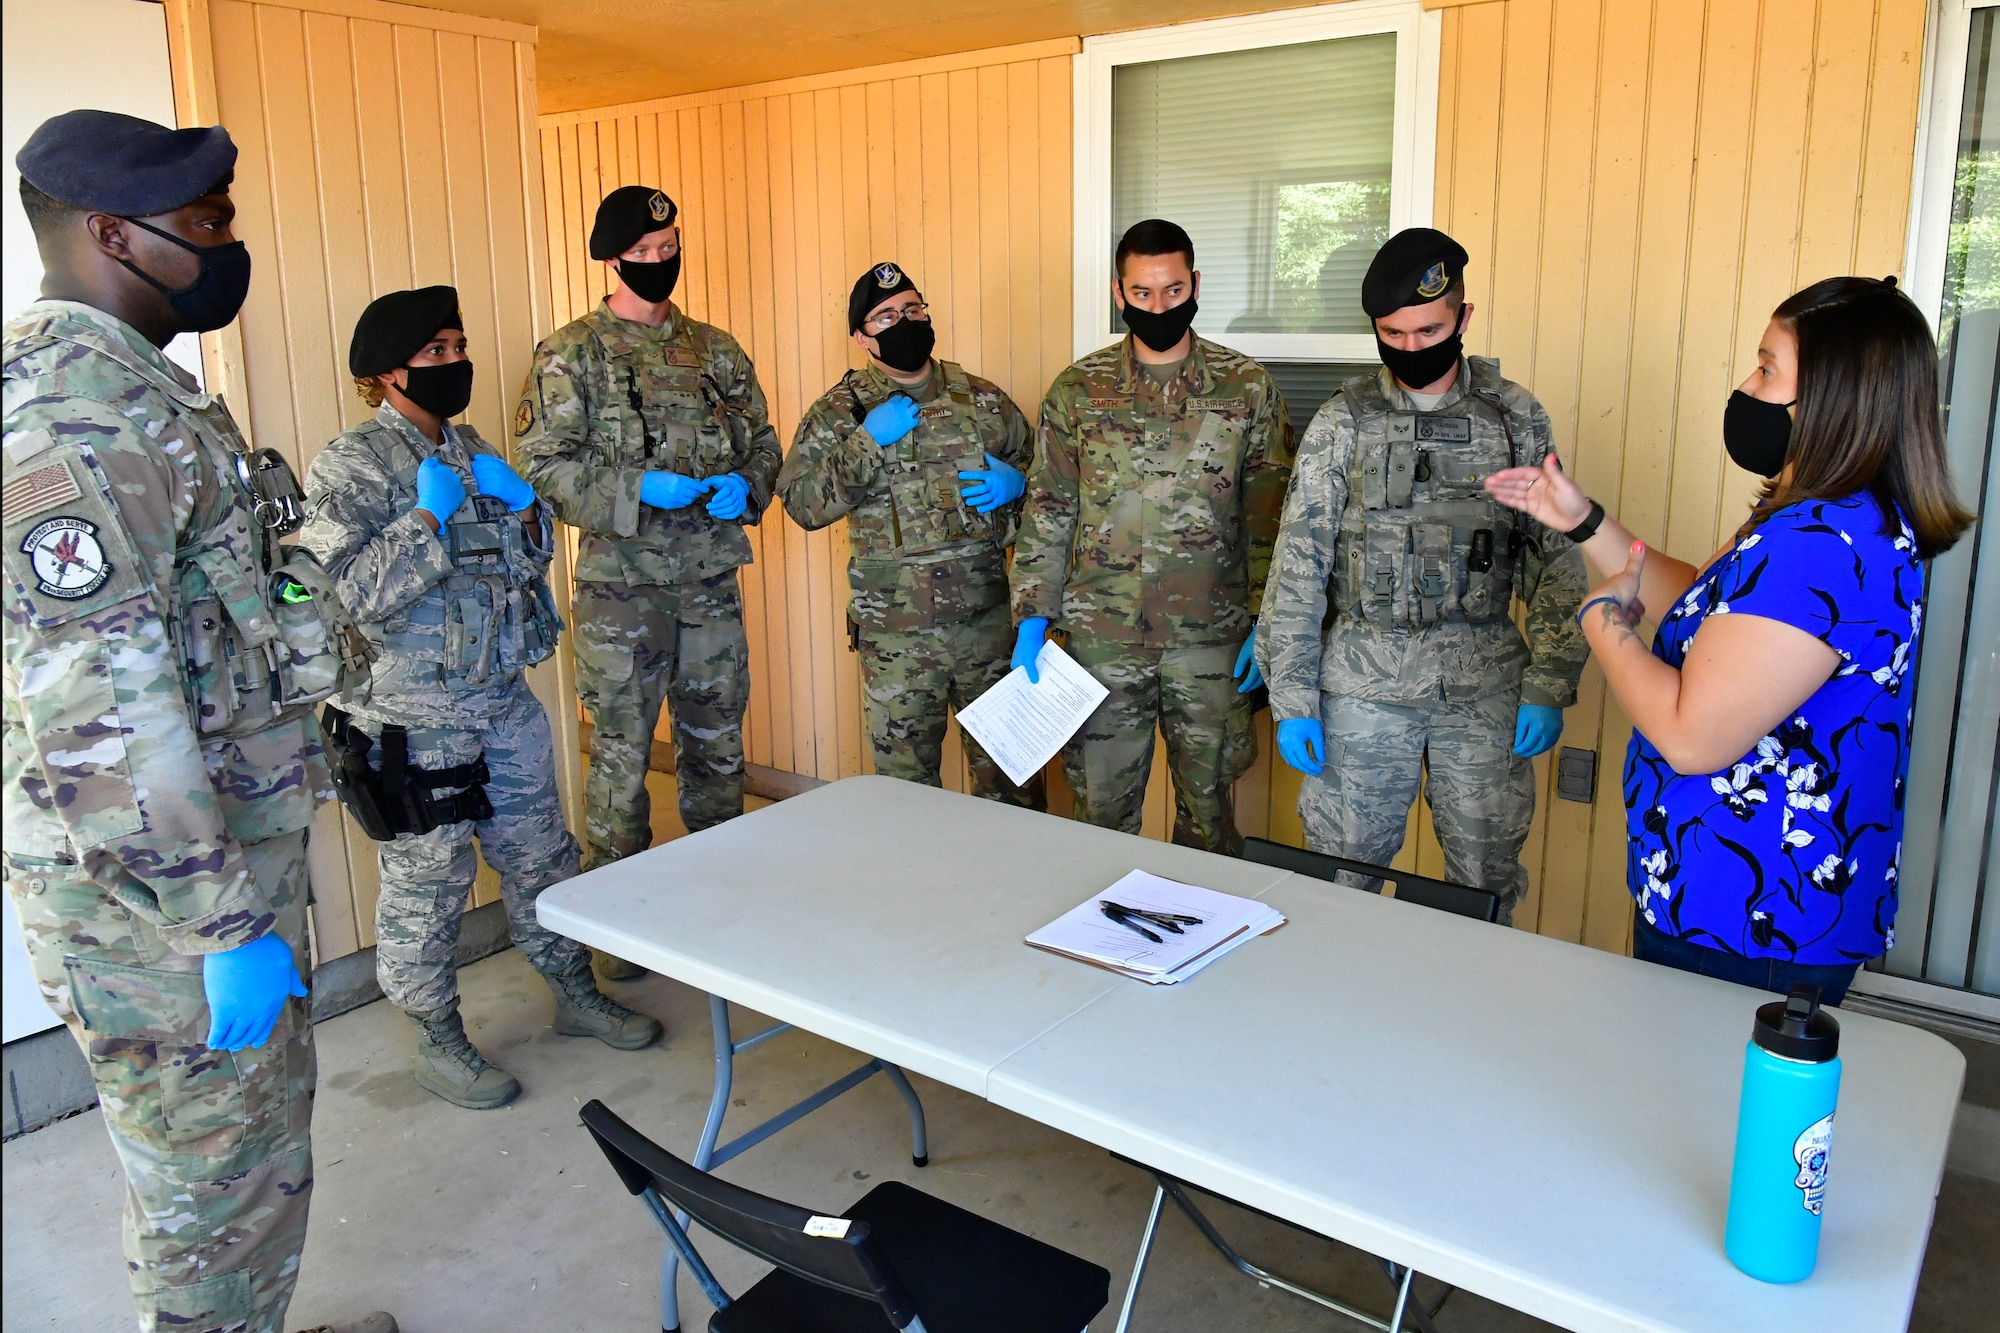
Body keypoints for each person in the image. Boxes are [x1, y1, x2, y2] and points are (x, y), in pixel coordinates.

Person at [3, 110, 394, 1333]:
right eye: (208, 224)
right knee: (212, 1191)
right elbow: (100, 719)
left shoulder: (134, 384)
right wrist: (221, 923)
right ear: (113, 234)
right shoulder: (72, 414)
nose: (229, 245)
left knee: (242, 1166)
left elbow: (221, 602)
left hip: (205, 862)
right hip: (162, 906)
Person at [1486, 276, 1973, 1001]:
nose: (1748, 385)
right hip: (1728, 897)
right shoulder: (1824, 514)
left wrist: (1601, 621)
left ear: (1838, 397)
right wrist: (1586, 522)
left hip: (1751, 917)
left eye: (1769, 368)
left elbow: (1693, 736)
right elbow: (1710, 610)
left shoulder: (1820, 542)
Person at [300, 287, 661, 1110]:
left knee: (543, 852)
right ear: (388, 374)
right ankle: (437, 1035)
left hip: (502, 700)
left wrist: (529, 506)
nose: (456, 361)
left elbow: (522, 567)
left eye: (459, 345)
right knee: (430, 878)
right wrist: (425, 519)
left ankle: (573, 991)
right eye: (437, 353)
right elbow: (344, 594)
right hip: (414, 718)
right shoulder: (350, 466)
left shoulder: (471, 449)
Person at [1256, 229, 1589, 925]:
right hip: (1362, 687)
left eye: (1430, 329)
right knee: (1341, 879)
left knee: (1483, 881)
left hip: (1485, 689)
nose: (1412, 348)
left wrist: (1550, 684)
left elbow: (1556, 558)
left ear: (1464, 319)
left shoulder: (1515, 417)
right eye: (1393, 333)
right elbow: (1298, 564)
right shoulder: (1343, 421)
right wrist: (1292, 695)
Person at [513, 185, 781, 979]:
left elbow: (764, 442)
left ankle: (712, 904)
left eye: (670, 251)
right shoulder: (572, 354)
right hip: (620, 595)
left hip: (709, 583)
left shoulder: (716, 350)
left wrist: (750, 484)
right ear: (611, 258)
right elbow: (543, 468)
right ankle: (621, 927)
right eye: (645, 255)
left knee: (717, 748)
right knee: (623, 758)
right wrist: (634, 491)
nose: (661, 264)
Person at [1011, 219, 1292, 852]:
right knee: (1101, 818)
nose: (1159, 306)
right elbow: (1049, 507)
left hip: (1212, 642)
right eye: (1142, 293)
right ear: (1119, 292)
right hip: (1100, 643)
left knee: (1210, 816)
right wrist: (1033, 618)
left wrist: (1264, 624)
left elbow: (1271, 520)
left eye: (1172, 290)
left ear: (1195, 284)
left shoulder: (1246, 389)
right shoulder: (1078, 392)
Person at [777, 262, 1042, 804]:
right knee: (907, 800)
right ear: (860, 336)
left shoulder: (984, 400)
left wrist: (1021, 486)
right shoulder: (840, 412)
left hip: (988, 631)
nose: (905, 320)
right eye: (886, 316)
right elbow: (802, 504)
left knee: (1014, 785)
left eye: (914, 309)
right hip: (896, 641)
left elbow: (1056, 493)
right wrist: (867, 442)